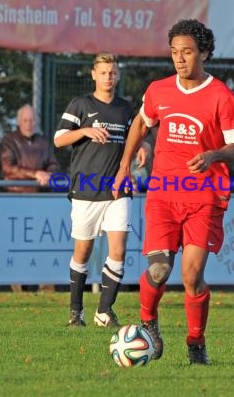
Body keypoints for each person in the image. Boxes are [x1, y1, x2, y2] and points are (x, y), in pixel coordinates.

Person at [113, 19, 234, 365]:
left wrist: (213, 154)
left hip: (205, 196)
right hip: (163, 193)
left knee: (191, 275)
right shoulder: (159, 90)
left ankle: (196, 342)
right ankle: (147, 324)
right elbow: (142, 122)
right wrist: (125, 166)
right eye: (174, 52)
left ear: (204, 53)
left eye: (187, 52)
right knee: (158, 270)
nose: (180, 59)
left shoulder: (223, 97)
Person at [54, 52, 150, 328]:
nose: (108, 77)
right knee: (82, 252)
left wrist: (144, 147)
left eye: (113, 72)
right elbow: (59, 140)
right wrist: (84, 131)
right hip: (86, 190)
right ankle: (76, 312)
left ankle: (104, 311)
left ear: (117, 75)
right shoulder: (81, 104)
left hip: (118, 189)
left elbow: (138, 136)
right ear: (93, 75)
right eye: (103, 72)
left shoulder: (125, 108)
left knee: (119, 249)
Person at [0, 104, 60, 292]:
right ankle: (18, 288)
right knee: (17, 245)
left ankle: (46, 285)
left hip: (41, 201)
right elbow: (8, 168)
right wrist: (35, 174)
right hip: (16, 201)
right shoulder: (9, 141)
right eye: (25, 120)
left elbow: (54, 164)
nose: (29, 123)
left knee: (44, 245)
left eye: (32, 120)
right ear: (19, 122)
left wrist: (48, 174)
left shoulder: (43, 142)